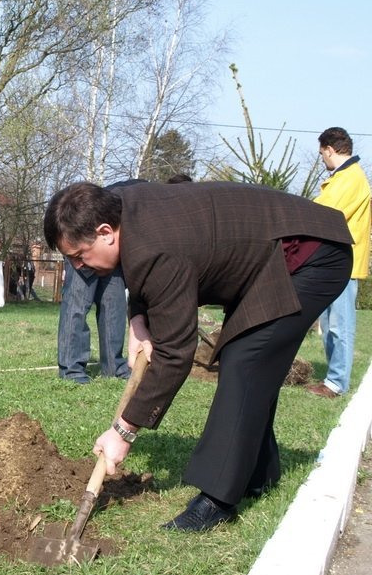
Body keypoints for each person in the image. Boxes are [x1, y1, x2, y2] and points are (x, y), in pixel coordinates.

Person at [44, 180, 352, 531]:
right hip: (270, 256)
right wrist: (139, 321)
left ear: (105, 232)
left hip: (311, 256)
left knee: (246, 359)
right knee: (247, 360)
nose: (79, 267)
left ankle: (217, 500)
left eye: (79, 256)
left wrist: (123, 431)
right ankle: (259, 473)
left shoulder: (159, 250)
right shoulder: (117, 202)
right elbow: (142, 273)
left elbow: (175, 353)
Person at [308, 127, 371, 398]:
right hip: (335, 262)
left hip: (344, 263)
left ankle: (336, 383)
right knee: (329, 324)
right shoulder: (344, 177)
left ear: (330, 149)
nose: (322, 158)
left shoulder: (350, 178)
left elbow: (323, 212)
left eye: (322, 153)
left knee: (340, 325)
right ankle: (332, 379)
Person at [57, 260, 130, 383]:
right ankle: (72, 371)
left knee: (114, 309)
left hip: (114, 257)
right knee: (77, 306)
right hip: (82, 252)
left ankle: (114, 368)